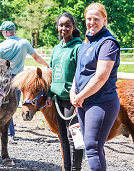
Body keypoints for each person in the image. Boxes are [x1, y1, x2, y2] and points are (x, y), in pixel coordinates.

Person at [70, 3, 120, 171]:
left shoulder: (108, 43)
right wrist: (73, 92)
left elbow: (101, 76)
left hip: (101, 102)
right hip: (84, 102)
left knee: (92, 148)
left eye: (96, 19)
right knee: (93, 147)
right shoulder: (87, 41)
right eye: (88, 19)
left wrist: (80, 96)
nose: (92, 22)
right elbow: (79, 71)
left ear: (104, 20)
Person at [0, 21, 49, 142]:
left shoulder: (1, 46)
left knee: (4, 105)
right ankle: (10, 133)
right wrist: (47, 65)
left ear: (5, 32)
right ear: (13, 31)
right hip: (20, 79)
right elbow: (36, 57)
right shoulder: (24, 43)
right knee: (14, 105)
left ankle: (8, 131)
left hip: (5, 79)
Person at [46, 13, 83, 171]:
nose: (64, 28)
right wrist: (49, 95)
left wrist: (79, 98)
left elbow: (82, 74)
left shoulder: (78, 47)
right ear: (57, 27)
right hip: (58, 100)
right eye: (61, 25)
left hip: (73, 100)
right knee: (63, 138)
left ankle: (76, 169)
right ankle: (67, 168)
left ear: (73, 27)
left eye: (67, 25)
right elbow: (54, 74)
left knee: (75, 137)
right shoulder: (56, 49)